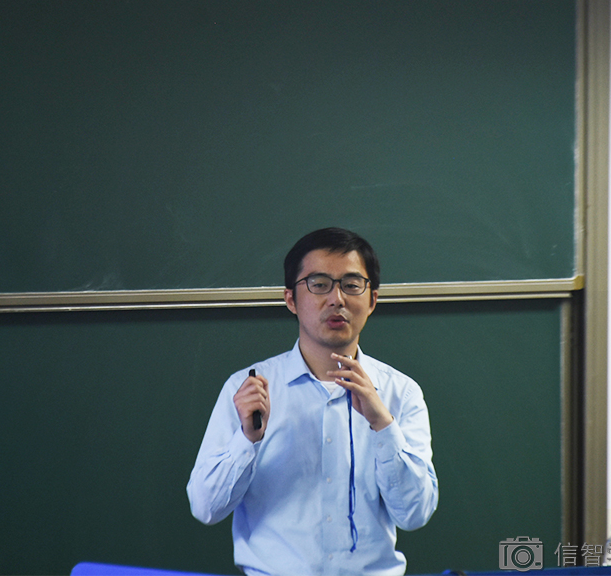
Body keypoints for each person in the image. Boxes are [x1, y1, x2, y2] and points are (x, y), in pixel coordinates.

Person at [186, 227, 438, 576]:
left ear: (372, 300)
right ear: (291, 299)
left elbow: (415, 514)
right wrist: (247, 439)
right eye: (319, 284)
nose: (337, 299)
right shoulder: (248, 390)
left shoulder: (400, 393)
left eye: (352, 284)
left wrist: (383, 425)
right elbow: (205, 508)